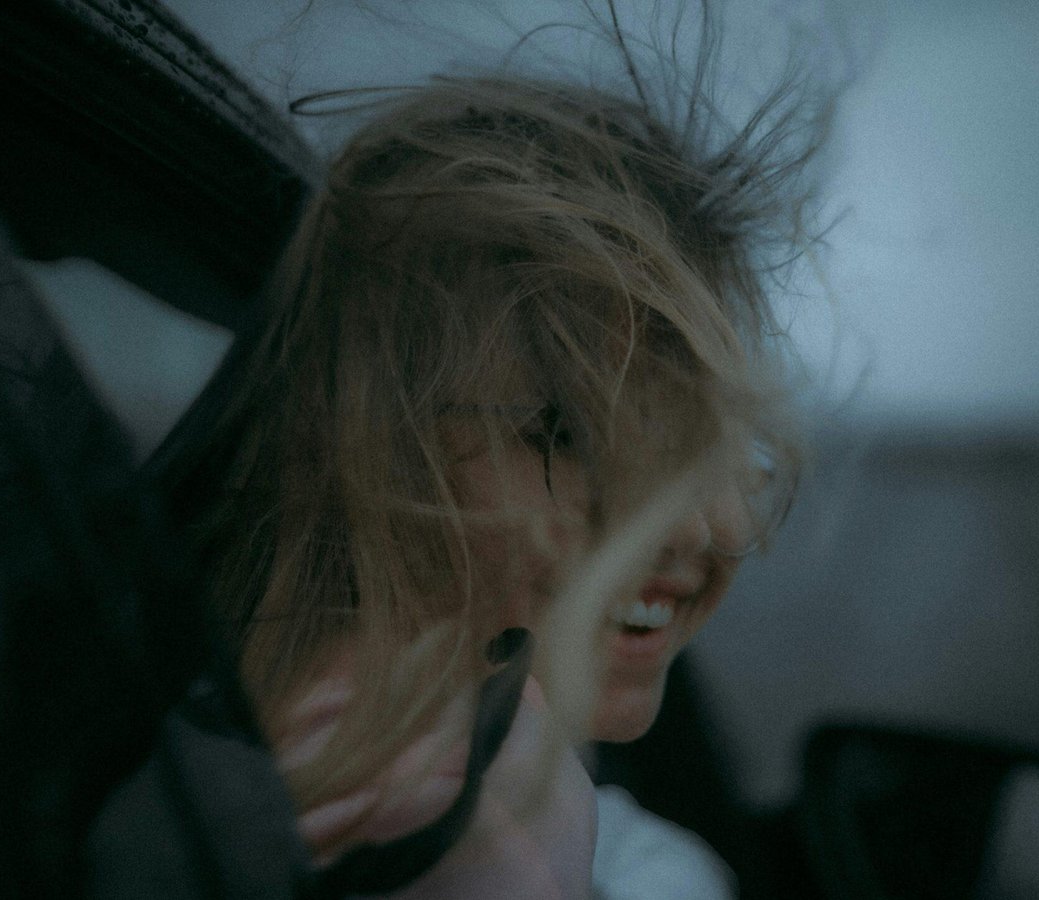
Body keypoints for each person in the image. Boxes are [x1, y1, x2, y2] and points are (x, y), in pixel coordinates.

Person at [178, 15, 829, 895]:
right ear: (370, 448)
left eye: (711, 446)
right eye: (570, 436)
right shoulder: (446, 807)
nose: (721, 523)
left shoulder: (230, 751)